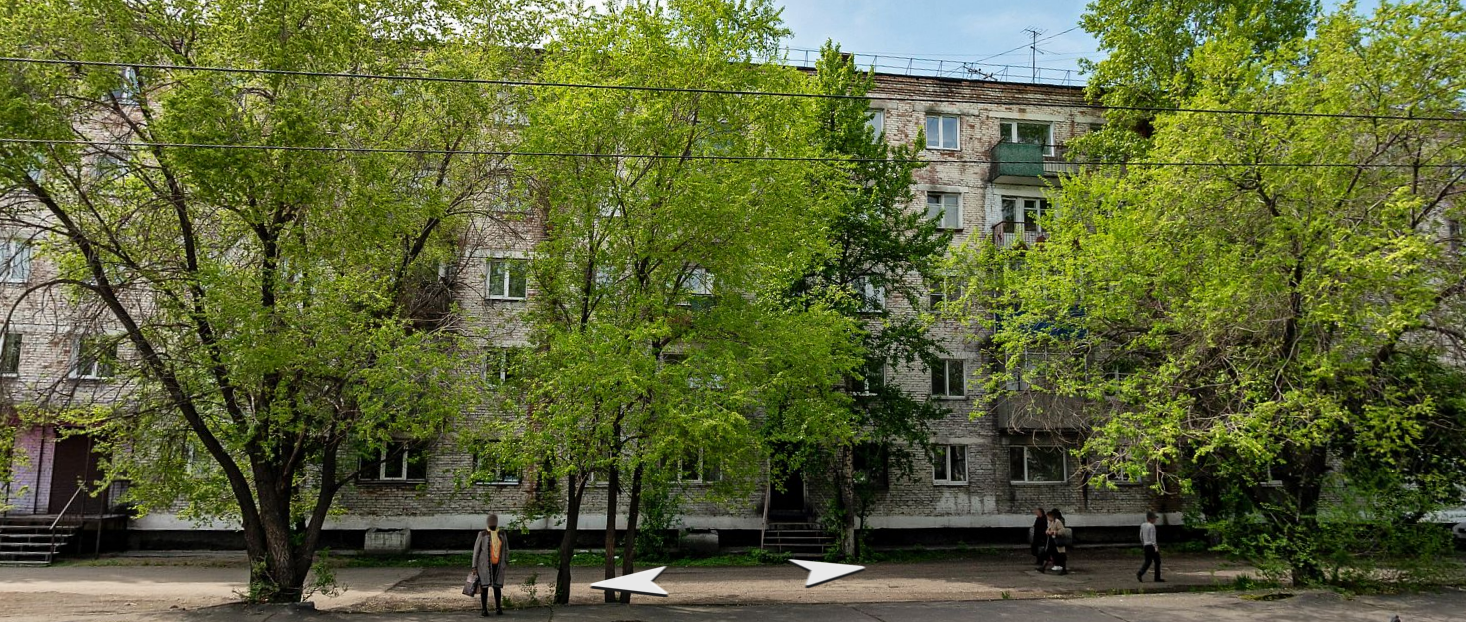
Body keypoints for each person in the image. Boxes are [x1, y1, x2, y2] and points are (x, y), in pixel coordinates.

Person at [472, 514, 510, 616]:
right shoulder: (482, 534)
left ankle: (498, 608)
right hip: (484, 566)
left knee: (497, 587)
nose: (492, 524)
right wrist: (474, 566)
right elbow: (476, 551)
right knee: (484, 588)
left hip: (498, 565)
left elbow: (506, 549)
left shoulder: (502, 534)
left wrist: (506, 561)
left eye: (494, 522)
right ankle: (484, 609)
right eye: (490, 522)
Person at [1137, 510, 1164, 582]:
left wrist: (1143, 544)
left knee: (1148, 561)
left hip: (1146, 545)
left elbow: (1140, 536)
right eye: (1154, 518)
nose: (1155, 520)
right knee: (1157, 561)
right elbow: (1153, 538)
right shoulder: (1152, 526)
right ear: (1150, 519)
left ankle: (1140, 573)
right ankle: (1157, 578)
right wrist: (1155, 547)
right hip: (1152, 545)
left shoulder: (1143, 525)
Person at [1045, 508, 1068, 575]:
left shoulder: (1057, 521)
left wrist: (1054, 532)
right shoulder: (1052, 522)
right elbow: (1049, 529)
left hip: (1058, 541)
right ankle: (1043, 567)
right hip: (1053, 541)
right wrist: (1047, 532)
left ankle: (1064, 569)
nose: (1047, 518)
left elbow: (1062, 531)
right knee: (1050, 554)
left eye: (1048, 517)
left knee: (1061, 555)